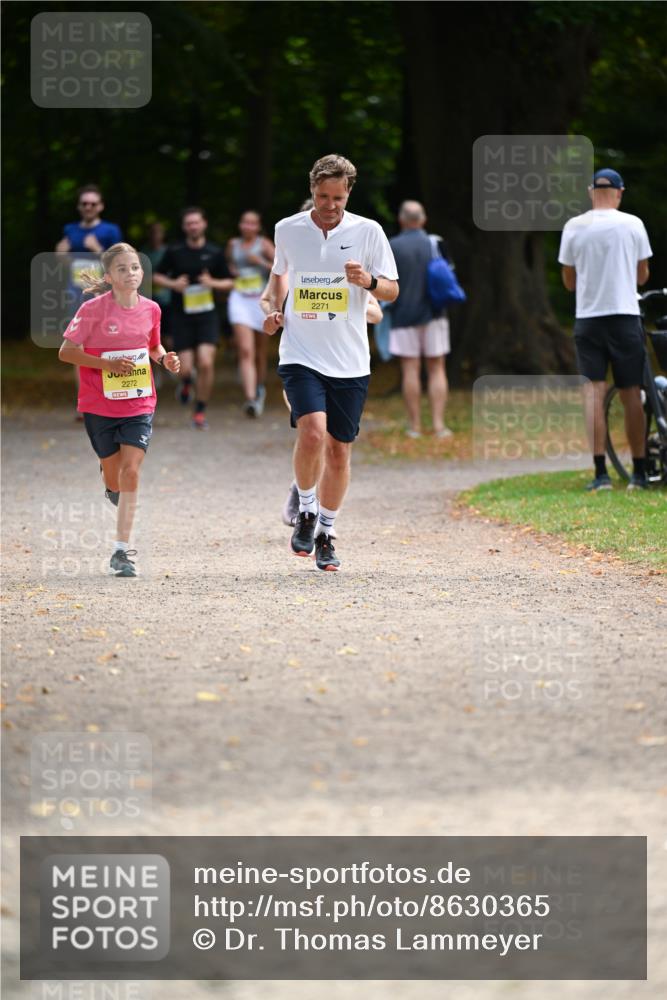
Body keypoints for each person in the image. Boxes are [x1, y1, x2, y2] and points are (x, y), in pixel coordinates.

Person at [262, 154, 398, 570]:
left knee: (339, 452)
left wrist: (368, 281)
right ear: (312, 190)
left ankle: (326, 532)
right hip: (300, 353)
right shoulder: (288, 229)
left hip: (350, 360)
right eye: (323, 196)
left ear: (349, 193)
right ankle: (305, 510)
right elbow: (278, 277)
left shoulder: (369, 232)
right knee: (312, 433)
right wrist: (274, 311)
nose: (330, 205)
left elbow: (391, 290)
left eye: (338, 198)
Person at [58, 243, 180, 577]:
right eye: (122, 269)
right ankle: (109, 483)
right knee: (115, 479)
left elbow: (153, 345)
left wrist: (165, 359)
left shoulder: (152, 309)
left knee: (131, 472)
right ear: (109, 276)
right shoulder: (92, 310)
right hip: (98, 404)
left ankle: (121, 551)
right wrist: (106, 365)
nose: (131, 273)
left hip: (139, 402)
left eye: (135, 267)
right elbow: (66, 352)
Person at [558, 168, 652, 491]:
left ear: (590, 192)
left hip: (589, 318)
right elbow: (642, 276)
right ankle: (639, 473)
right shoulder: (633, 224)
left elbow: (569, 282)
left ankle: (601, 474)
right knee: (631, 394)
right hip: (624, 316)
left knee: (593, 394)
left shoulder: (574, 226)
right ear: (620, 192)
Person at [153, 207, 233, 429]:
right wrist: (173, 284)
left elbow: (230, 282)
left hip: (207, 315)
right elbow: (156, 276)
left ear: (204, 224)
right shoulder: (175, 251)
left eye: (196, 222)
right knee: (185, 368)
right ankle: (187, 381)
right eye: (189, 223)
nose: (193, 227)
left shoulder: (214, 252)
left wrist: (212, 283)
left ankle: (199, 410)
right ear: (184, 227)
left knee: (206, 362)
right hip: (182, 316)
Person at [55, 184, 123, 419]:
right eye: (84, 203)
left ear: (100, 206)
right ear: (79, 206)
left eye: (93, 203)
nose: (88, 207)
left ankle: (113, 397)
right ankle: (87, 403)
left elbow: (119, 263)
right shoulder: (70, 230)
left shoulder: (111, 230)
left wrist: (98, 249)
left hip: (104, 296)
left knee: (108, 344)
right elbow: (68, 266)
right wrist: (60, 256)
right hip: (77, 295)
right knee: (78, 347)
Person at [389, 200, 453, 439]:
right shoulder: (435, 243)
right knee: (437, 368)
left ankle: (415, 426)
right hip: (435, 314)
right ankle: (439, 425)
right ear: (423, 219)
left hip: (403, 315)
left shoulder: (392, 246)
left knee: (410, 369)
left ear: (401, 220)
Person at [226, 211, 275, 417]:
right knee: (246, 350)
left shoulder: (264, 244)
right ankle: (251, 399)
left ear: (258, 226)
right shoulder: (233, 244)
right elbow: (228, 265)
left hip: (261, 300)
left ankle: (259, 387)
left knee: (260, 353)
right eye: (245, 222)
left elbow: (281, 269)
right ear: (240, 225)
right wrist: (232, 270)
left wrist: (261, 262)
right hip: (239, 299)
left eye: (252, 223)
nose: (248, 226)